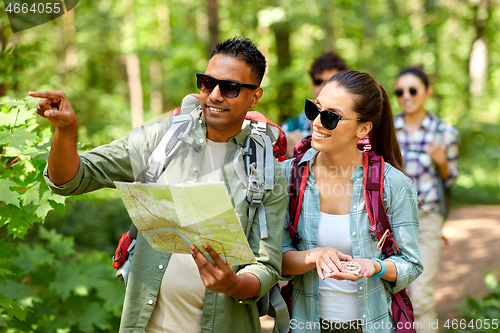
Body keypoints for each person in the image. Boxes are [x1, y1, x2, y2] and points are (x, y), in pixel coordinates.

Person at [29, 37, 287, 333]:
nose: (215, 95)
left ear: (255, 97)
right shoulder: (162, 139)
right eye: (207, 83)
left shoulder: (266, 170)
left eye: (230, 87)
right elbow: (70, 179)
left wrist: (234, 284)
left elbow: (267, 266)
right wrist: (66, 131)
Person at [280, 71, 423, 333]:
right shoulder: (286, 176)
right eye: (314, 109)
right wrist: (313, 256)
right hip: (305, 324)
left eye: (331, 117)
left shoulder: (394, 185)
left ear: (364, 128)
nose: (317, 122)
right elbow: (275, 258)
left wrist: (376, 266)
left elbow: (411, 264)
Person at [394, 66, 459, 333]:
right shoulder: (387, 129)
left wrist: (442, 163)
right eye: (399, 91)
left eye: (412, 90)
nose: (406, 96)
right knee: (396, 295)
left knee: (420, 298)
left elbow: (450, 179)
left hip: (428, 220)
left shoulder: (445, 133)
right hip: (394, 223)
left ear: (427, 92)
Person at [281, 52, 349, 157]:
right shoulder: (289, 128)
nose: (323, 87)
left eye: (330, 82)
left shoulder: (353, 126)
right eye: (318, 81)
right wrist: (290, 157)